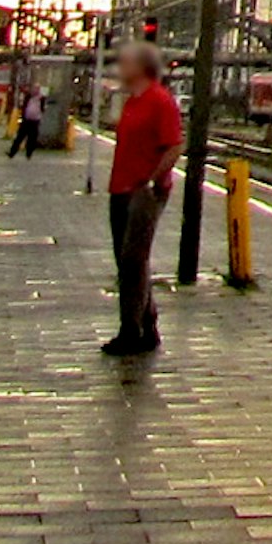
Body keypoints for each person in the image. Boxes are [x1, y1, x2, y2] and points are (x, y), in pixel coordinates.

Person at [100, 41, 180, 358]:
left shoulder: (160, 101)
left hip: (144, 191)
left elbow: (174, 145)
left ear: (142, 67)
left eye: (126, 63)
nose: (120, 68)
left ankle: (130, 331)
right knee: (126, 258)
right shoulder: (132, 101)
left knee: (133, 260)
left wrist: (151, 180)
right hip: (119, 188)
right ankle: (148, 327)